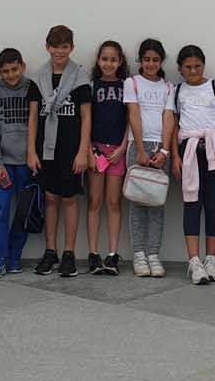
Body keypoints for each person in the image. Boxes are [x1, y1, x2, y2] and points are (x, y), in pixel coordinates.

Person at [26, 24, 91, 278]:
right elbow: (33, 117)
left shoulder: (80, 77)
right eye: (55, 46)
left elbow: (86, 117)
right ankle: (50, 250)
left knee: (70, 199)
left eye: (64, 46)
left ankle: (69, 253)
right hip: (45, 149)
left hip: (71, 149)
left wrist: (83, 151)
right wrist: (31, 151)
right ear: (47, 47)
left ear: (71, 48)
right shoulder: (38, 77)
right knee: (50, 198)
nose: (59, 51)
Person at [168, 44, 215, 285]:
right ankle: (194, 261)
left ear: (203, 65)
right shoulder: (177, 91)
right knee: (192, 204)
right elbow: (173, 125)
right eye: (188, 67)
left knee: (213, 204)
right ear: (180, 69)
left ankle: (211, 259)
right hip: (189, 151)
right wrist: (175, 156)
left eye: (197, 66)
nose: (193, 71)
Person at [124, 39, 173, 278]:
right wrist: (141, 150)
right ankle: (139, 255)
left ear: (161, 61)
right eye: (146, 59)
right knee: (137, 204)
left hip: (160, 149)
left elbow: (168, 117)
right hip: (137, 146)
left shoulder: (168, 87)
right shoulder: (131, 82)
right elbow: (133, 114)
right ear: (140, 61)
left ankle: (153, 254)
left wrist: (164, 151)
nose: (151, 64)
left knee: (157, 205)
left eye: (155, 60)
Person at [0, 47, 34, 278]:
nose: (11, 75)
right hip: (4, 164)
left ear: (22, 67)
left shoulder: (32, 88)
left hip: (28, 163)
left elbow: (38, 126)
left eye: (15, 69)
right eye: (5, 71)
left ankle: (14, 256)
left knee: (24, 211)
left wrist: (35, 156)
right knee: (1, 210)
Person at [86, 40, 130, 275]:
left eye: (113, 59)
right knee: (95, 201)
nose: (108, 63)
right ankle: (93, 253)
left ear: (120, 61)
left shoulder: (127, 86)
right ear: (98, 60)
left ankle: (112, 254)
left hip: (117, 152)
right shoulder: (91, 86)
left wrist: (123, 148)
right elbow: (86, 120)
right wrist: (88, 151)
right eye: (104, 59)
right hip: (96, 150)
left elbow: (131, 120)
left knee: (114, 202)